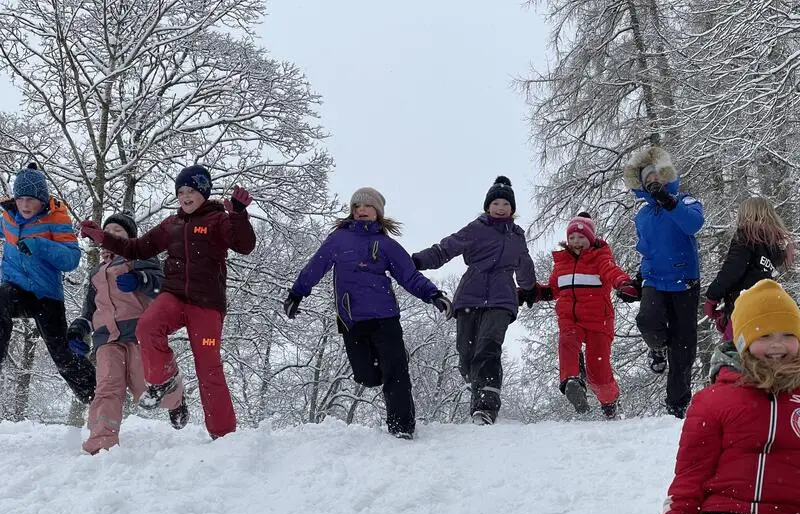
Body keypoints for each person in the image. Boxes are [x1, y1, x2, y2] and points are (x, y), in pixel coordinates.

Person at [629, 279, 800, 514]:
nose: (778, 344)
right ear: (743, 340)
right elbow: (691, 479)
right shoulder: (715, 400)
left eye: (788, 334)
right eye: (764, 335)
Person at [79, 165, 256, 440]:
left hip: (206, 305)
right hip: (173, 297)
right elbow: (136, 248)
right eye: (181, 192)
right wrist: (101, 237)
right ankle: (164, 379)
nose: (185, 197)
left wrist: (239, 214)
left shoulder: (218, 220)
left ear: (204, 192)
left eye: (191, 191)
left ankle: (224, 435)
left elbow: (244, 245)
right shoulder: (171, 226)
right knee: (147, 327)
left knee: (208, 366)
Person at [283, 187, 452, 440]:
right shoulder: (338, 240)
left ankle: (402, 427)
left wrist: (434, 295)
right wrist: (296, 293)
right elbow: (315, 267)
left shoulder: (386, 245)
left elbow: (409, 275)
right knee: (367, 376)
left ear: (378, 212)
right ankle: (389, 367)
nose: (361, 210)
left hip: (385, 318)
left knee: (395, 372)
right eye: (356, 207)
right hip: (352, 319)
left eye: (367, 206)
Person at [412, 176, 536, 425]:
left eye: (505, 204)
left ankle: (486, 408)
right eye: (496, 203)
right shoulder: (475, 228)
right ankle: (478, 386)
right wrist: (416, 261)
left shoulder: (517, 236)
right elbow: (445, 249)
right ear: (487, 206)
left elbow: (525, 264)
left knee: (488, 348)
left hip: (502, 299)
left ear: (512, 209)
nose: (500, 207)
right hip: (470, 295)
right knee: (467, 355)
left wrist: (529, 288)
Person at [67, 212, 182, 454]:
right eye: (107, 230)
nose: (111, 235)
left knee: (144, 389)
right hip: (106, 339)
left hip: (138, 334)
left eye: (118, 231)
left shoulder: (139, 258)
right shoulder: (96, 272)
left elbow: (162, 286)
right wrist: (80, 327)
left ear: (129, 237)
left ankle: (176, 398)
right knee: (107, 387)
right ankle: (101, 443)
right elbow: (91, 307)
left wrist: (140, 279)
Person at [0, 162, 95, 403]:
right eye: (21, 199)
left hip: (46, 296)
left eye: (31, 200)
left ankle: (96, 395)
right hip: (15, 290)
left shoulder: (56, 218)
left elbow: (71, 259)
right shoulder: (8, 217)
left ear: (42, 199)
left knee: (62, 356)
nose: (25, 205)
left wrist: (39, 245)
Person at [623, 147, 704, 418]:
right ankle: (657, 349)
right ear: (642, 185)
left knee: (683, 346)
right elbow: (646, 249)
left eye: (656, 176)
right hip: (654, 280)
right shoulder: (643, 215)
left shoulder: (687, 200)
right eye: (647, 179)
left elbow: (693, 225)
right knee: (647, 319)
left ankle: (677, 405)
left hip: (685, 280)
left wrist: (669, 203)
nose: (652, 181)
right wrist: (637, 279)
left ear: (666, 176)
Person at [533, 212, 639, 419]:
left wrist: (624, 284)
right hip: (569, 318)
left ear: (590, 239)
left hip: (598, 321)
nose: (576, 241)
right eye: (572, 238)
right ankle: (571, 381)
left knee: (598, 373)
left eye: (581, 237)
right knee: (567, 339)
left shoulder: (600, 257)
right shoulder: (561, 263)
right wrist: (533, 292)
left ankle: (609, 402)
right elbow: (553, 290)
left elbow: (612, 272)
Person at [704, 196, 794, 341]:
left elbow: (732, 271)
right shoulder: (774, 246)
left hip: (745, 309)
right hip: (768, 310)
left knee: (735, 355)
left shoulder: (746, 235)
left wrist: (712, 297)